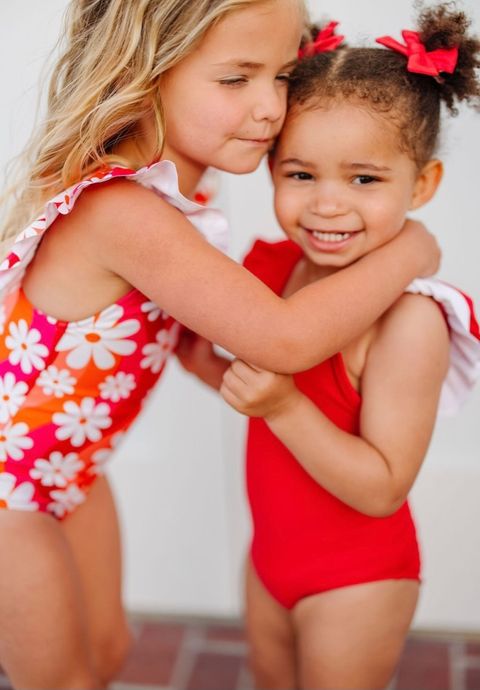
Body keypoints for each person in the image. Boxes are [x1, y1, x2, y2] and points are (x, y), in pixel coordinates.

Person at [0, 0, 443, 687]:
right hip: (9, 495)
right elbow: (285, 338)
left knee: (107, 652)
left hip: (68, 471)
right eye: (237, 79)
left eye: (284, 75)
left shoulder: (173, 199)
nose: (271, 107)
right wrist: (411, 247)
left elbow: (200, 349)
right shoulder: (123, 211)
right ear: (146, 74)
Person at [176, 5, 480, 689]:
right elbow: (238, 372)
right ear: (271, 169)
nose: (327, 205)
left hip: (358, 577)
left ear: (422, 184)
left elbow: (382, 486)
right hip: (269, 559)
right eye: (301, 174)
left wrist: (280, 405)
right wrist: (204, 362)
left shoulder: (410, 320)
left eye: (364, 179)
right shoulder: (275, 269)